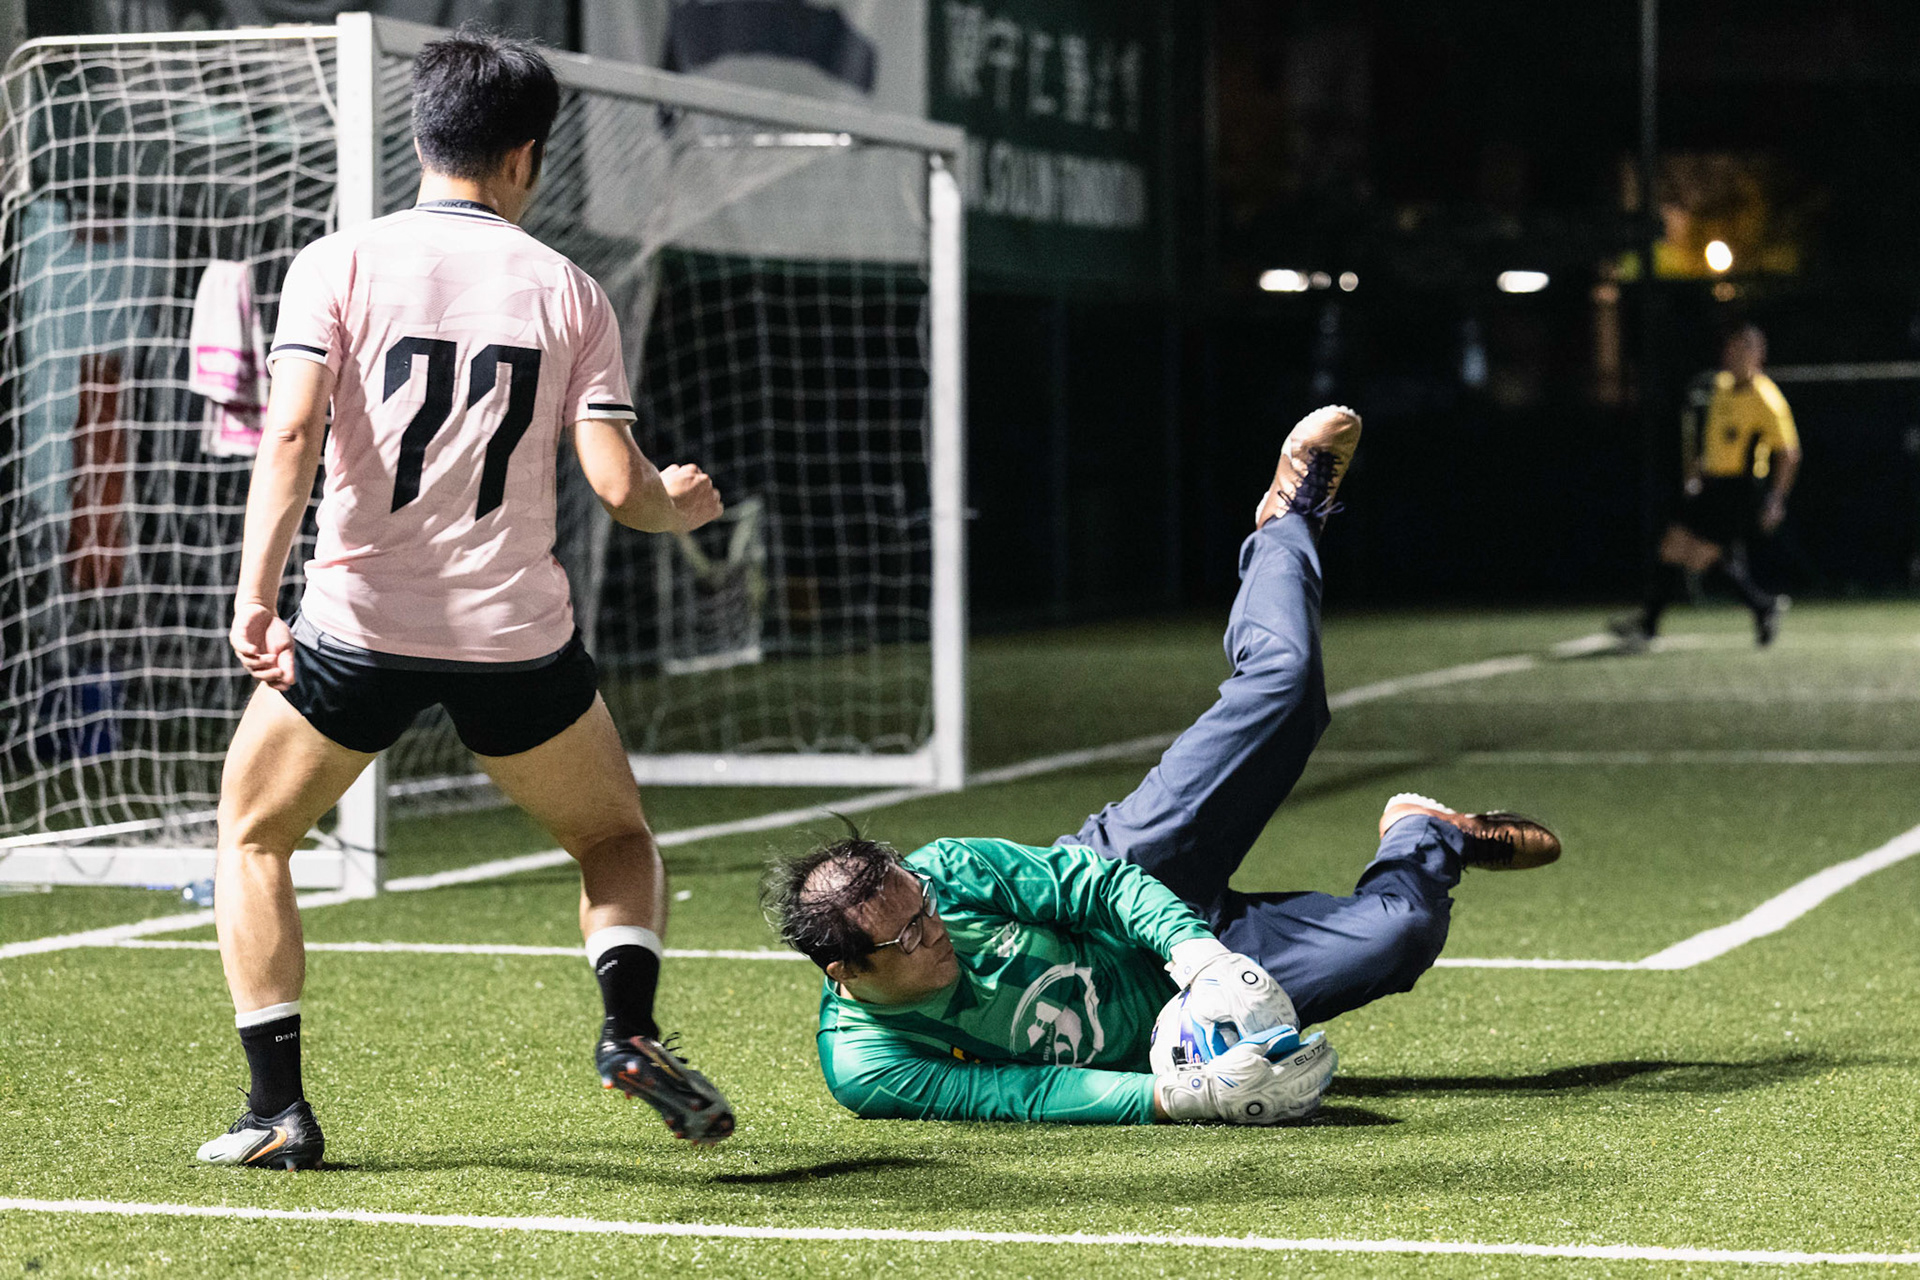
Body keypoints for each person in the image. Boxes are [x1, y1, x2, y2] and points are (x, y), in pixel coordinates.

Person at [197, 32, 735, 1169]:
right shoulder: (568, 289)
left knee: (253, 837)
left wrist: (255, 595)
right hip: (515, 644)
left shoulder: (335, 262)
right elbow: (617, 487)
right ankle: (628, 1029)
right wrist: (682, 506)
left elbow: (290, 435)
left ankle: (276, 1111)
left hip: (355, 630)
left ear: (419, 135)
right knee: (615, 841)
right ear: (527, 156)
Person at [763, 406, 1563, 1125]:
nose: (935, 928)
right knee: (1403, 935)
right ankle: (1427, 837)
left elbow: (1096, 887)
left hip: (1132, 872)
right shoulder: (868, 1067)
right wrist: (1179, 1095)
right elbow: (1018, 1094)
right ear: (845, 973)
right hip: (1160, 1027)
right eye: (909, 935)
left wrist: (1201, 956)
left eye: (925, 907)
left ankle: (1286, 520)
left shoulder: (949, 873)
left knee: (1284, 691)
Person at [1616, 323, 1801, 648]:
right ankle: (1761, 606)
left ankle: (1649, 624)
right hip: (1713, 486)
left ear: (1758, 356)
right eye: (1730, 349)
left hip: (1740, 490)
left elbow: (1789, 453)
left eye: (1742, 350)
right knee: (1676, 548)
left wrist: (1776, 499)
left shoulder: (1766, 399)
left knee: (1698, 555)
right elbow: (1715, 441)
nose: (1732, 355)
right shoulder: (1722, 385)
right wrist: (1699, 472)